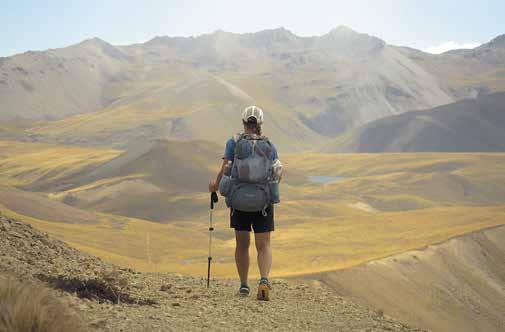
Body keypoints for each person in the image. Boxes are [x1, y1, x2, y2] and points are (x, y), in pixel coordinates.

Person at [209, 105, 280, 301]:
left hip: (239, 201)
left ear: (243, 122)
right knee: (264, 244)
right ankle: (264, 280)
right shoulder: (269, 145)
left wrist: (215, 185)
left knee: (242, 244)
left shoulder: (233, 143)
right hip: (263, 202)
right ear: (260, 123)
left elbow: (225, 169)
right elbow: (277, 172)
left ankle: (243, 286)